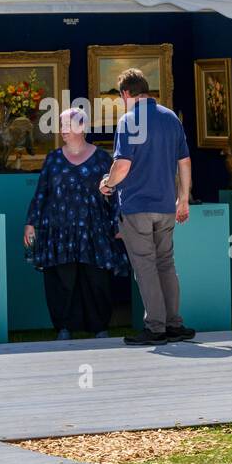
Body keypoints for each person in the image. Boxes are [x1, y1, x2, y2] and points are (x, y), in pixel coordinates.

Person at [100, 69, 194, 347]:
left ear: (125, 94)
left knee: (146, 267)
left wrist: (107, 183)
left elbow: (122, 165)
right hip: (166, 205)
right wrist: (184, 199)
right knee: (166, 263)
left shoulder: (128, 120)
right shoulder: (171, 118)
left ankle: (155, 327)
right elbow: (185, 162)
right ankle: (173, 324)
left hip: (137, 206)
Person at [23, 108, 128, 339]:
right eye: (61, 126)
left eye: (67, 125)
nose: (62, 131)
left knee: (97, 280)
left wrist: (118, 223)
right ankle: (64, 327)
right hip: (59, 231)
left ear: (82, 127)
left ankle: (100, 327)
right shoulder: (53, 159)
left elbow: (115, 193)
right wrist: (31, 223)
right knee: (62, 281)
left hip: (95, 230)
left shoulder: (102, 158)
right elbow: (42, 192)